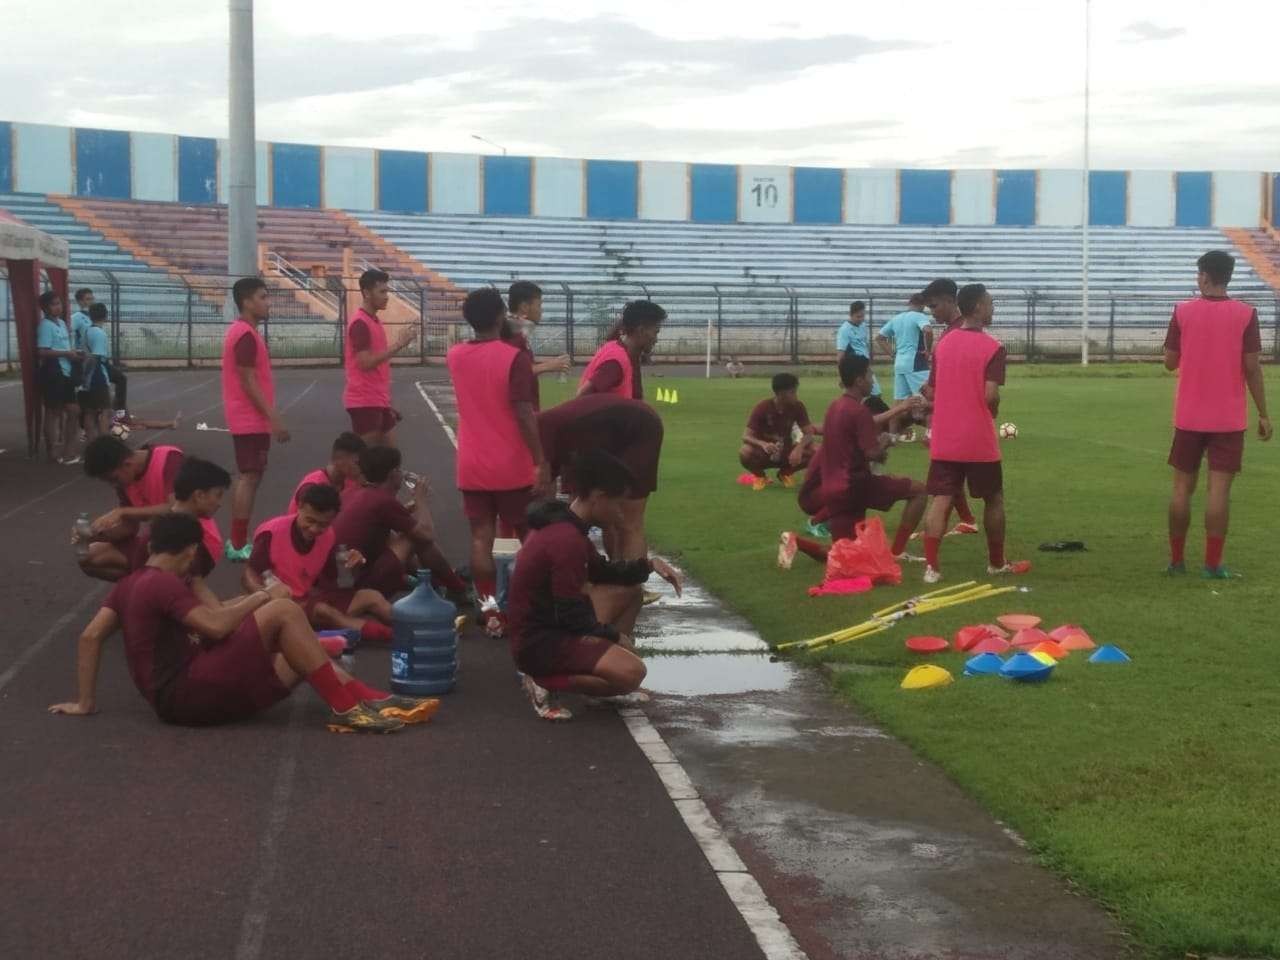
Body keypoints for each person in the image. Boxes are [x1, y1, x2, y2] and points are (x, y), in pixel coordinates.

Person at [49, 513, 435, 731]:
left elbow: (90, 637)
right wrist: (264, 596)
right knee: (284, 612)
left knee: (299, 650)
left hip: (185, 698)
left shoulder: (132, 584)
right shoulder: (163, 584)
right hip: (189, 696)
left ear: (151, 548)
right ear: (189, 552)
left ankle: (370, 699)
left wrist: (86, 702)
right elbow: (216, 627)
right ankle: (347, 709)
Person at [507, 451, 683, 721]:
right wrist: (614, 637)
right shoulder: (566, 540)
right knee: (632, 674)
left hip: (545, 628)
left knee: (630, 592)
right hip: (539, 642)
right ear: (599, 497)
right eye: (617, 504)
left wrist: (648, 565)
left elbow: (602, 570)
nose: (621, 513)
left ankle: (597, 675)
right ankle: (544, 680)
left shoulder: (567, 526)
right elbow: (569, 614)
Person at [1163, 250, 1272, 578]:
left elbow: (1169, 361)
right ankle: (1212, 565)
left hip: (1189, 416)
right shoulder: (1245, 313)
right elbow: (1252, 368)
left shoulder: (1182, 311)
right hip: (1228, 417)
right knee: (1219, 491)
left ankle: (1177, 561)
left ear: (1205, 276)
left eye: (1199, 273)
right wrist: (1264, 414)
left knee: (1182, 488)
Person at [447, 288, 548, 635]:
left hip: (472, 461)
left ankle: (490, 610)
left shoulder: (455, 355)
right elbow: (523, 411)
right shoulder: (513, 358)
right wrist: (540, 459)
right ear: (500, 315)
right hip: (511, 461)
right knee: (529, 536)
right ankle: (530, 606)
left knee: (480, 538)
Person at [920, 284, 1026, 584]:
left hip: (945, 436)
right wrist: (992, 410)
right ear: (978, 307)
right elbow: (990, 395)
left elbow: (934, 389)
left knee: (941, 498)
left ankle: (932, 568)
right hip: (977, 438)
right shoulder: (993, 347)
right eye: (990, 304)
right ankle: (996, 563)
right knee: (993, 498)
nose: (992, 309)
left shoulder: (944, 344)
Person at [777, 354, 926, 568]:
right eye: (870, 375)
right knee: (919, 491)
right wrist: (885, 443)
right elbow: (872, 454)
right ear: (859, 380)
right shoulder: (858, 411)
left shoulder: (835, 407)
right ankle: (898, 551)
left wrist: (898, 413)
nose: (872, 380)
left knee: (845, 554)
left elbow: (854, 435)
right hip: (856, 486)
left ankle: (796, 541)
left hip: (833, 490)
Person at [245, 484, 395, 644]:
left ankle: (412, 625)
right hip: (281, 604)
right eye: (310, 520)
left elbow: (338, 583)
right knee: (324, 611)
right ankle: (389, 635)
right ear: (300, 507)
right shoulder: (272, 532)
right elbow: (249, 574)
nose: (314, 529)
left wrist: (354, 565)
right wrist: (266, 595)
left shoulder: (328, 536)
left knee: (371, 596)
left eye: (323, 524)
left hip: (307, 600)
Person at [332, 445, 469, 604]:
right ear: (393, 474)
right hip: (358, 585)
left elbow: (380, 519)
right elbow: (426, 534)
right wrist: (420, 501)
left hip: (341, 579)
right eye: (399, 469)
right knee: (413, 538)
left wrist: (409, 507)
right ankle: (457, 589)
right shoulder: (382, 500)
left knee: (395, 535)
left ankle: (438, 582)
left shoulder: (358, 492)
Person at [538, 393, 664, 561]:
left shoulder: (541, 432)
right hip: (603, 437)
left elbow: (544, 488)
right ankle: (614, 574)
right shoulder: (553, 436)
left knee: (628, 522)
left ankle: (632, 584)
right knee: (601, 515)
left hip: (639, 428)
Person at [222, 277, 289, 562]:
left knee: (253, 475)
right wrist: (273, 417)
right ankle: (237, 543)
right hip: (249, 419)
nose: (268, 302)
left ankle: (238, 540)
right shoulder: (245, 335)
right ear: (247, 302)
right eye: (263, 297)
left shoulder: (245, 332)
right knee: (249, 477)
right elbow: (248, 381)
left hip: (249, 418)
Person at [77, 435, 185, 581]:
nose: (113, 485)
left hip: (189, 544)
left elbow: (177, 509)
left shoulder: (169, 459)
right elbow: (129, 528)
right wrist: (93, 533)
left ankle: (148, 590)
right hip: (159, 542)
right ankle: (141, 590)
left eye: (113, 479)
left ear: (127, 463)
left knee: (149, 575)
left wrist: (123, 512)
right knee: (87, 557)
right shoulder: (125, 481)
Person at [920, 278, 980, 537]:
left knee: (944, 479)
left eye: (934, 306)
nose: (932, 312)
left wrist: (931, 398)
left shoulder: (957, 333)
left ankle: (936, 530)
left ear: (949, 301)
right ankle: (966, 519)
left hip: (953, 418)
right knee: (949, 477)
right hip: (955, 415)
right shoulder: (952, 331)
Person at [344, 268, 415, 446]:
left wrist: (386, 403)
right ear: (367, 293)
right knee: (366, 462)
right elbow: (365, 363)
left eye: (387, 291)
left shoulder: (374, 321)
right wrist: (399, 344)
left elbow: (378, 369)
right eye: (382, 291)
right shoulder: (360, 323)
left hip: (377, 399)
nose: (387, 296)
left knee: (389, 459)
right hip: (364, 401)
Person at [739, 373, 819, 491]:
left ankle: (785, 473)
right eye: (792, 392)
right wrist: (763, 444)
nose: (796, 396)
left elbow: (809, 433)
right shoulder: (763, 407)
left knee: (818, 451)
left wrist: (799, 449)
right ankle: (760, 477)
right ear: (781, 394)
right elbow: (746, 436)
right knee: (745, 451)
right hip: (764, 453)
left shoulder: (798, 406)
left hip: (786, 452)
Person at [577, 300, 665, 400]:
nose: (656, 340)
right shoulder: (617, 361)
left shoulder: (624, 352)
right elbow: (582, 397)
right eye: (655, 332)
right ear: (641, 331)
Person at [504, 280, 571, 412]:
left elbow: (521, 364)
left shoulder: (517, 331)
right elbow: (510, 371)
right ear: (524, 307)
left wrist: (547, 363)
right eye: (539, 305)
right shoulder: (512, 334)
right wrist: (549, 366)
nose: (541, 311)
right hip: (520, 413)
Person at [876, 294, 934, 438]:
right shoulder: (918, 316)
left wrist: (893, 354)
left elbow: (880, 337)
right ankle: (931, 435)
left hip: (899, 363)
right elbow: (928, 330)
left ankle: (892, 437)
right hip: (915, 363)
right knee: (928, 399)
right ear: (923, 305)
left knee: (898, 403)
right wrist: (928, 350)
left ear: (909, 303)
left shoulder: (897, 318)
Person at [36, 290, 82, 464]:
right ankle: (52, 451)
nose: (58, 307)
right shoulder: (45, 326)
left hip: (66, 372)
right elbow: (42, 351)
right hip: (53, 373)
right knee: (53, 412)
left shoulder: (62, 323)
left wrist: (74, 354)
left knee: (74, 410)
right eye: (54, 304)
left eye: (59, 303)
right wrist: (66, 353)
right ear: (45, 308)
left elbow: (65, 348)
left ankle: (68, 449)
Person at [289, 432, 366, 513]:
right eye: (357, 463)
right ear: (338, 459)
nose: (361, 467)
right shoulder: (312, 487)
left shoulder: (351, 482)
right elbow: (308, 522)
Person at [836, 300, 884, 412]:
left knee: (874, 395)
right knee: (866, 395)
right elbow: (840, 355)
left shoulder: (863, 326)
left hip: (865, 366)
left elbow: (864, 346)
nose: (861, 319)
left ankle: (864, 418)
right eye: (858, 316)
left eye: (863, 316)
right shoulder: (844, 330)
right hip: (855, 369)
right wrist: (841, 376)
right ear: (851, 315)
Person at [77, 303, 114, 441]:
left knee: (89, 412)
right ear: (105, 315)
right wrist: (87, 378)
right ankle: (104, 444)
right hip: (96, 377)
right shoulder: (99, 333)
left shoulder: (87, 331)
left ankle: (92, 445)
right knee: (105, 411)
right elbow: (95, 358)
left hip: (88, 378)